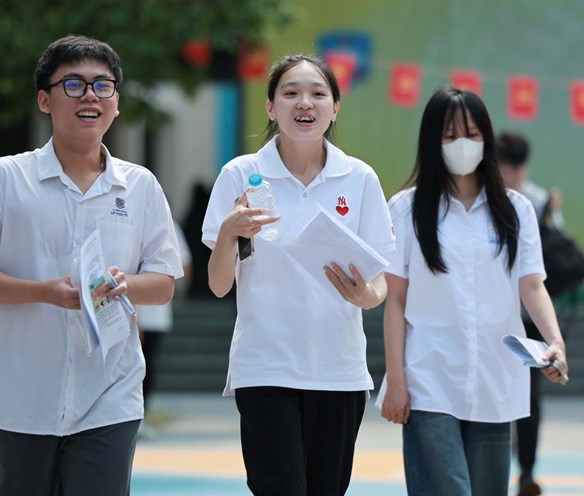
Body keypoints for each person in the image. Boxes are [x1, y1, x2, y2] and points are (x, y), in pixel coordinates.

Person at [0, 35, 183, 496]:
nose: (90, 95)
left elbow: (163, 283)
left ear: (116, 103)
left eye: (102, 85)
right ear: (44, 100)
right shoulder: (4, 178)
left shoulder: (140, 186)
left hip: (109, 394)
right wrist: (43, 292)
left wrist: (126, 284)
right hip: (20, 397)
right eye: (73, 84)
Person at [202, 54, 396, 495]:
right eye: (290, 93)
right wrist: (229, 232)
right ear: (271, 107)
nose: (304, 103)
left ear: (335, 108)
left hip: (338, 370)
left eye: (317, 94)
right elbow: (218, 285)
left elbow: (380, 280)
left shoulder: (359, 178)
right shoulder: (240, 175)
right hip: (265, 367)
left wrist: (365, 296)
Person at [378, 88, 568, 496]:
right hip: (429, 379)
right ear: (431, 141)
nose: (462, 144)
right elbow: (395, 300)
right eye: (449, 135)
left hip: (494, 382)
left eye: (472, 133)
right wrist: (395, 379)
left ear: (487, 139)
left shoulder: (515, 210)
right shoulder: (406, 209)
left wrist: (554, 342)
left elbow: (532, 285)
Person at [496, 131, 562, 496]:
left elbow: (553, 254)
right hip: (493, 316)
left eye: (518, 169)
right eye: (507, 168)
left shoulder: (537, 202)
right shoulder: (486, 196)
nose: (513, 176)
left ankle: (526, 470)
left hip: (528, 319)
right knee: (493, 390)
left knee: (530, 397)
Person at [138, 221, 192, 416]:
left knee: (147, 365)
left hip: (153, 313)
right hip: (123, 309)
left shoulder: (167, 223)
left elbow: (185, 264)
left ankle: (142, 413)